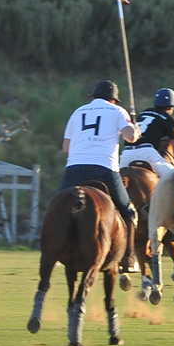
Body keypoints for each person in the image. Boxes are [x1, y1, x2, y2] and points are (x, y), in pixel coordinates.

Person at [60, 78, 144, 274]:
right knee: (128, 211)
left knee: (60, 207)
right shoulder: (117, 111)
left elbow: (66, 147)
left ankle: (57, 250)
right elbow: (130, 138)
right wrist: (135, 128)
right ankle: (129, 259)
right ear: (114, 99)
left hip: (75, 168)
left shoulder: (78, 111)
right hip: (104, 168)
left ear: (94, 96)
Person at [120, 87, 174, 171]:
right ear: (171, 107)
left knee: (115, 182)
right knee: (173, 178)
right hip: (147, 153)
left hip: (126, 153)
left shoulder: (142, 114)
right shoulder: (168, 119)